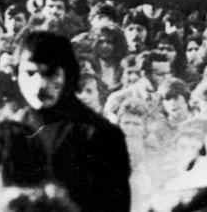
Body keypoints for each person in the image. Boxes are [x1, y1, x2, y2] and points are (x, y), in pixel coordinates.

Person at [14, 31, 131, 211]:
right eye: (30, 73)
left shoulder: (100, 134)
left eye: (50, 73)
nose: (39, 86)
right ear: (17, 74)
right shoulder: (14, 129)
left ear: (68, 74)